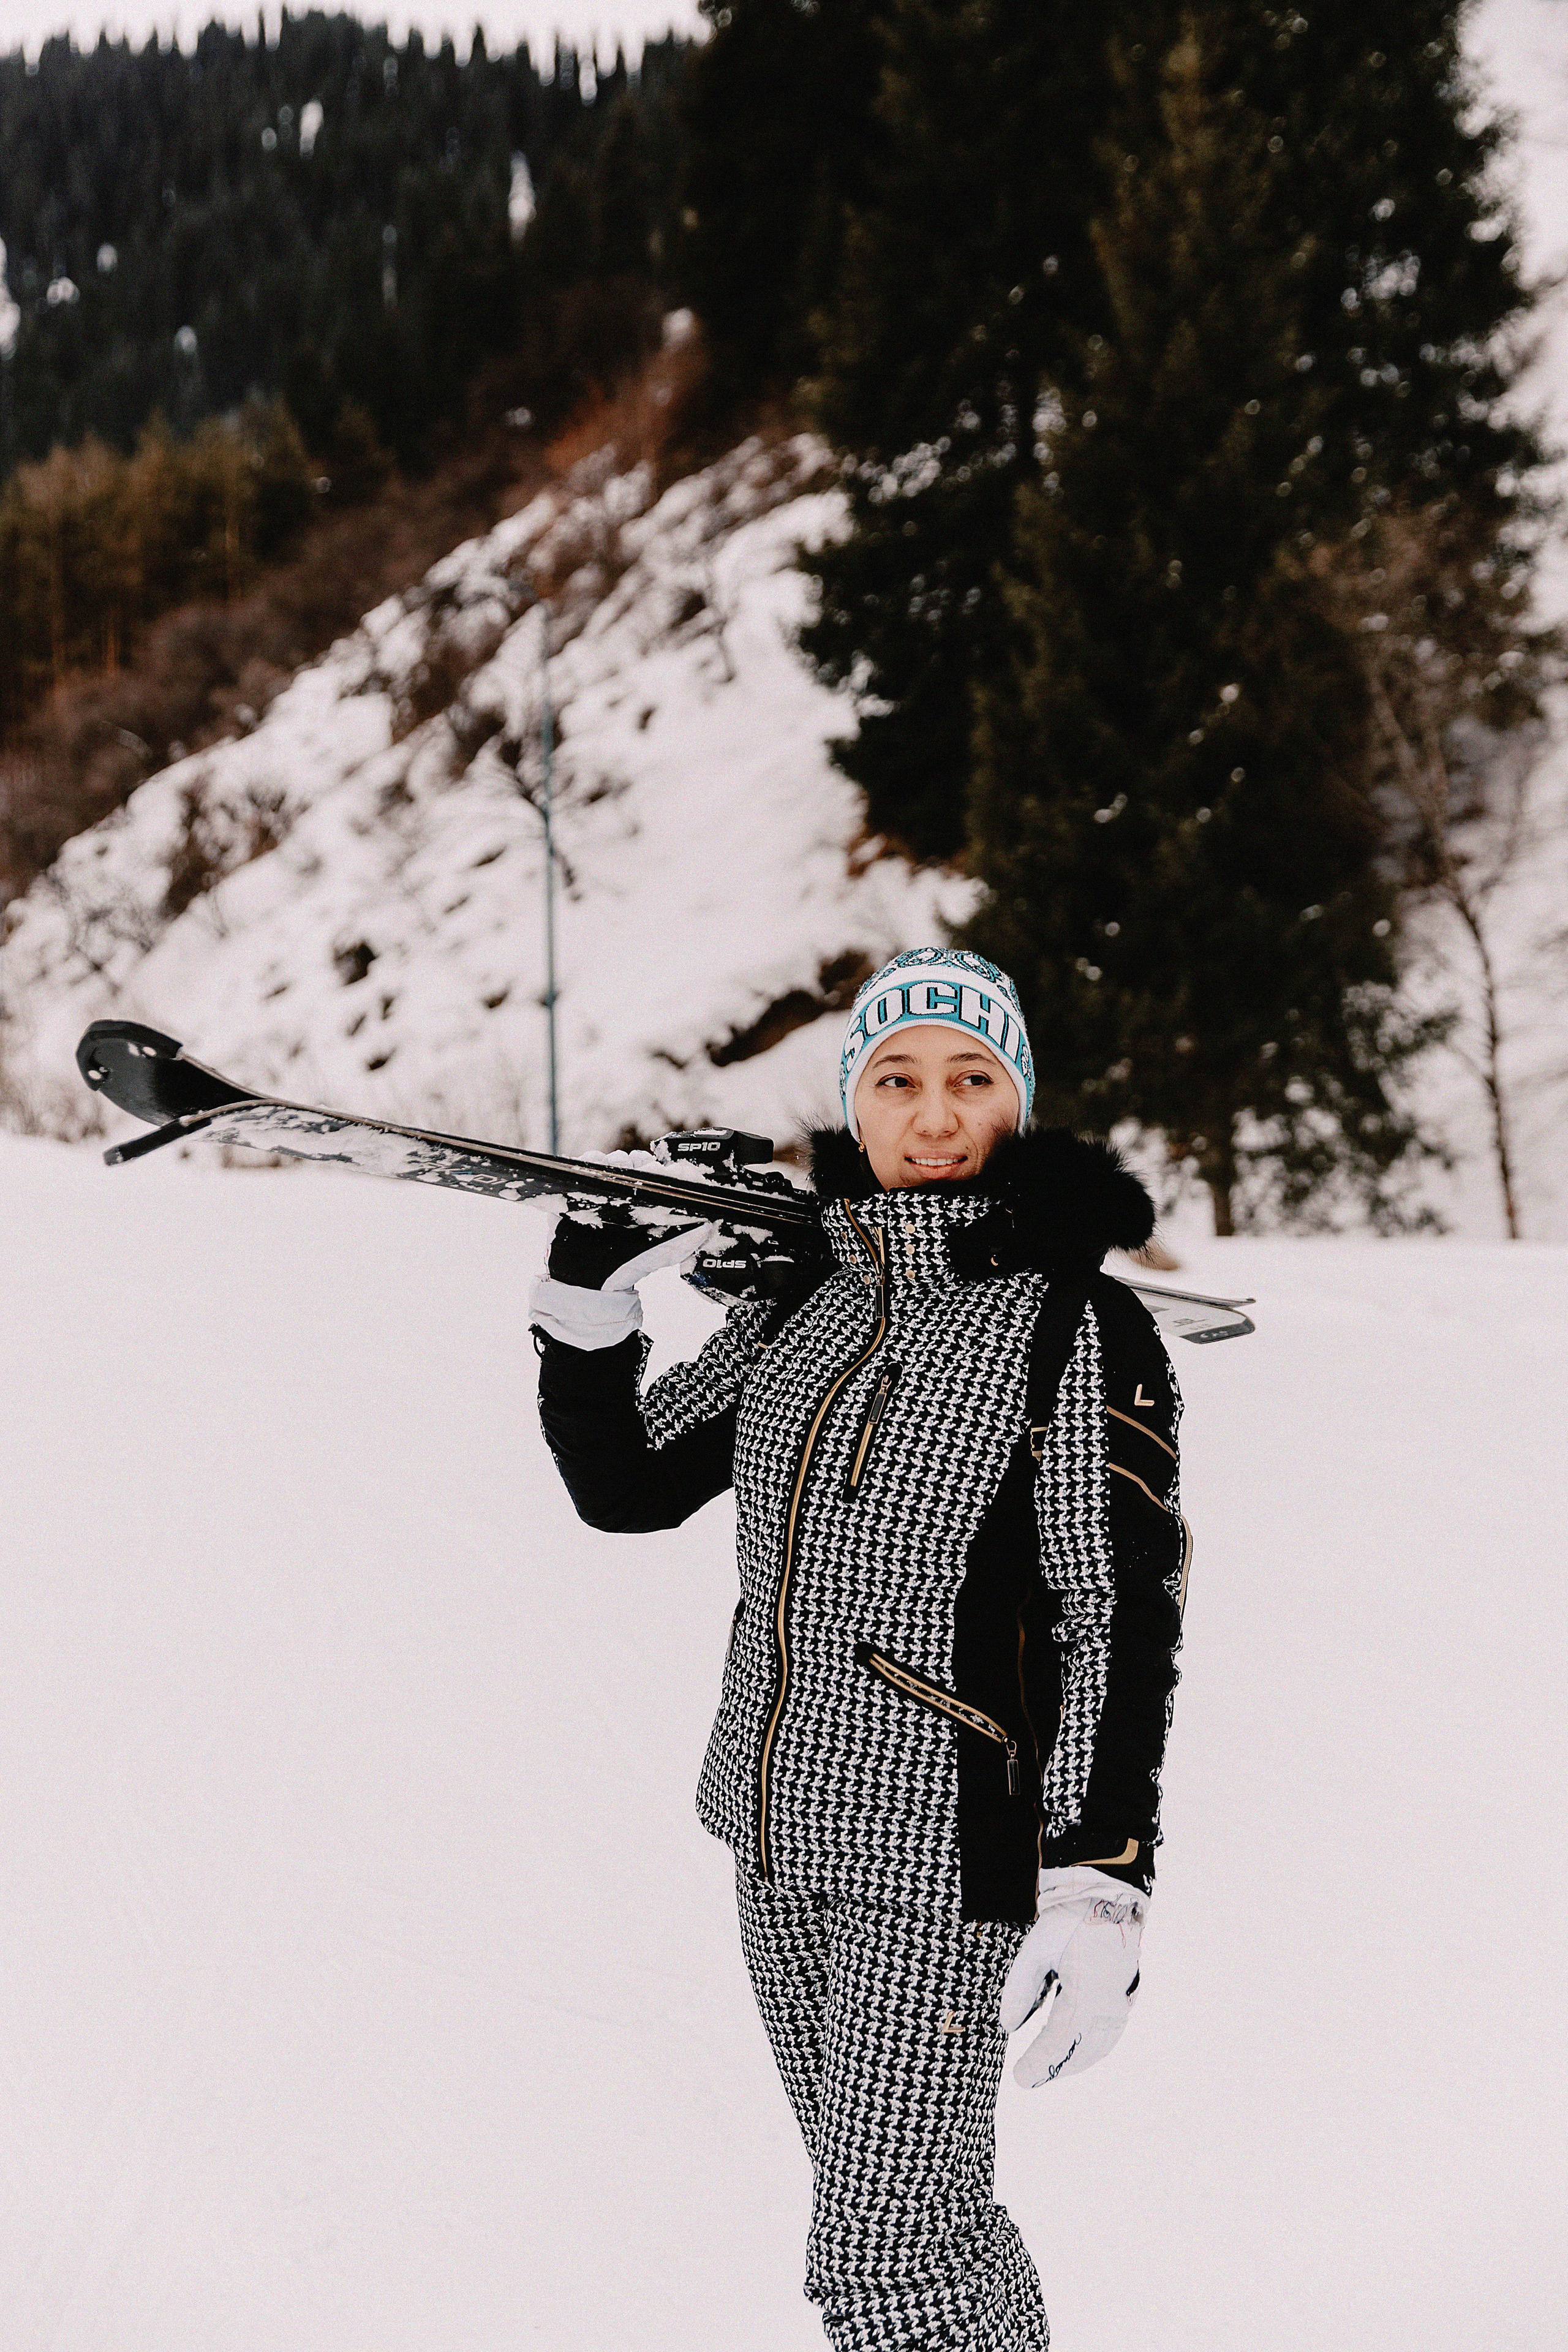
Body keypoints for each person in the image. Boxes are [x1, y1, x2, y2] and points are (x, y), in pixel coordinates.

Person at [530, 948, 1187, 2352]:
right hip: (772, 1836)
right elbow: (628, 1482)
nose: (932, 1114)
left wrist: (1100, 1875)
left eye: (969, 1079)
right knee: (909, 2219)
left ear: (1017, 1101)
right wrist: (588, 1312)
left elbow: (1118, 1612)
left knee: (883, 2254)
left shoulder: (1075, 1326)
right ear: (855, 1104)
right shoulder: (808, 1308)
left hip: (942, 1859)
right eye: (896, 1081)